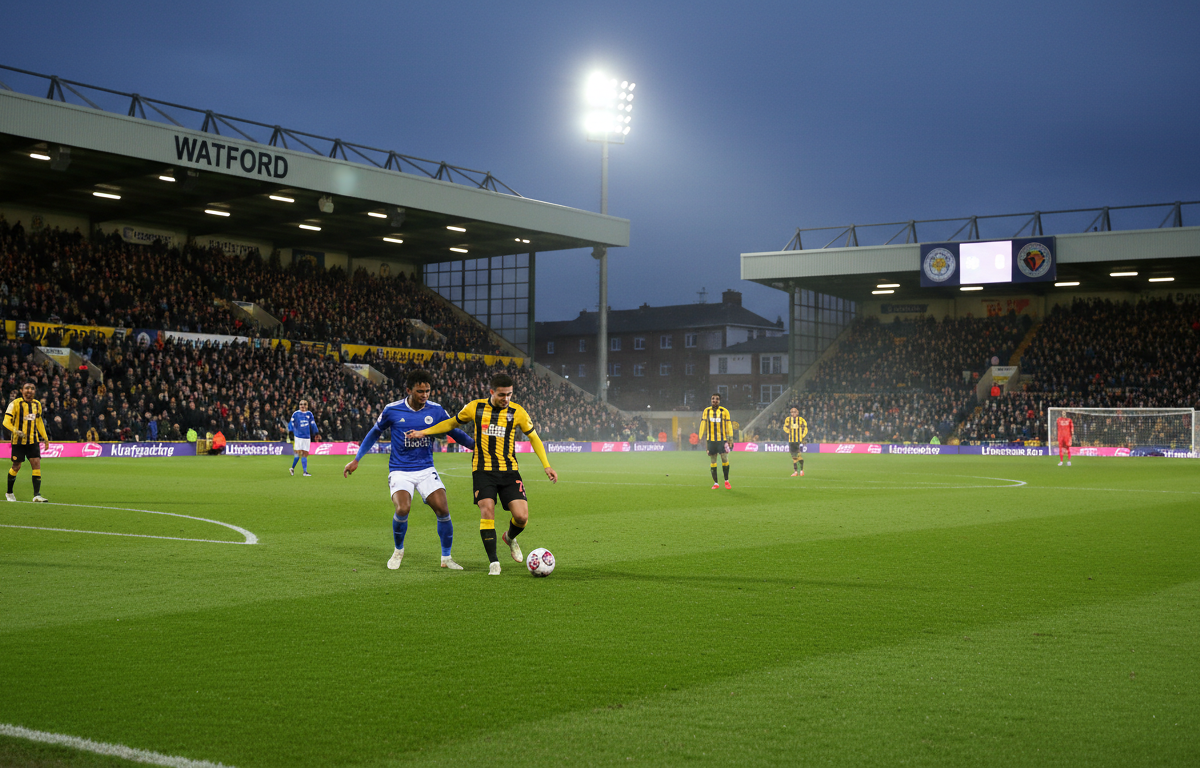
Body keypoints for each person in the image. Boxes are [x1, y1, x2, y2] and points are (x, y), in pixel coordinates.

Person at [406, 372, 558, 576]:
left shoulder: (518, 412)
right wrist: (424, 432)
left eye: (509, 394)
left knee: (521, 517)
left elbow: (534, 438)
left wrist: (546, 465)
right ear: (492, 392)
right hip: (483, 471)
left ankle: (509, 537)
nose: (506, 399)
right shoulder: (475, 407)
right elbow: (451, 424)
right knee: (487, 510)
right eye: (502, 394)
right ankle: (494, 562)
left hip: (509, 471)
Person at [344, 370, 475, 571]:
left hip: (426, 469)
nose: (424, 395)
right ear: (409, 390)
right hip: (400, 470)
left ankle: (446, 557)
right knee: (402, 508)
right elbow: (374, 433)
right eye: (420, 391)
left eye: (428, 391)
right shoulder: (392, 409)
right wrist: (357, 459)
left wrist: (477, 447)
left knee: (443, 509)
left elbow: (455, 432)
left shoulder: (436, 410)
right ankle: (398, 551)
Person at [4, 381, 50, 502]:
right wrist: (15, 430)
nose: (29, 390)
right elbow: (6, 421)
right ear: (22, 390)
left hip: (33, 440)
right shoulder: (15, 404)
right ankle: (9, 493)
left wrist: (45, 437)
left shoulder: (37, 404)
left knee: (36, 464)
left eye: (32, 388)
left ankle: (37, 495)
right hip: (18, 441)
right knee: (16, 466)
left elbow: (39, 422)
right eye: (27, 388)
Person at [700, 393, 734, 489]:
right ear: (711, 400)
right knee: (713, 460)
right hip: (711, 440)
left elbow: (728, 425)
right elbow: (703, 424)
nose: (715, 400)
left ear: (719, 401)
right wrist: (701, 437)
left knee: (724, 458)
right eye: (713, 398)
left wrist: (730, 438)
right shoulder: (706, 411)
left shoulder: (724, 411)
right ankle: (716, 483)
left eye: (717, 399)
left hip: (722, 439)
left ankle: (726, 481)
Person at [288, 398, 319, 476]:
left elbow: (313, 423)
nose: (303, 406)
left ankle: (304, 472)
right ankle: (292, 468)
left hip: (307, 437)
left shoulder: (309, 414)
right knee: (298, 454)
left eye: (304, 404)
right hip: (298, 437)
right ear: (299, 406)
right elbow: (291, 423)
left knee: (305, 454)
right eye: (301, 404)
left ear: (307, 406)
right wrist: (290, 430)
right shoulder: (296, 414)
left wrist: (316, 432)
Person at [782, 406, 808, 477]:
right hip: (791, 440)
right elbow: (784, 427)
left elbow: (805, 428)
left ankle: (797, 471)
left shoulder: (801, 420)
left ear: (797, 413)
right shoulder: (788, 419)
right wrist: (789, 431)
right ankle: (800, 471)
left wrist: (802, 436)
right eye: (792, 412)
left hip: (797, 440)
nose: (793, 413)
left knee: (796, 456)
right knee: (796, 456)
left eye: (794, 412)